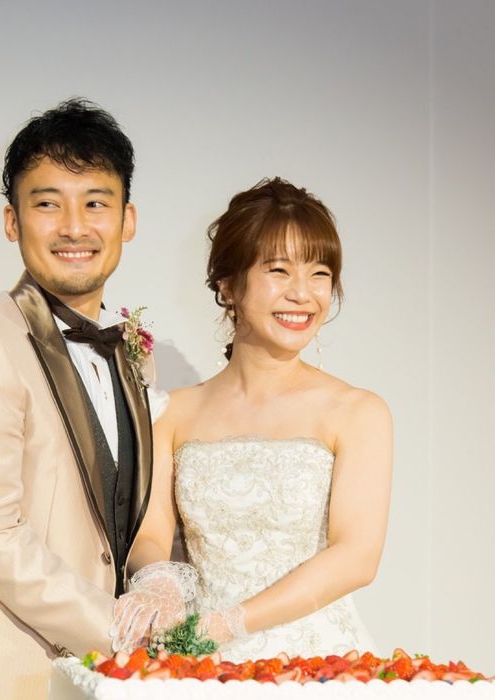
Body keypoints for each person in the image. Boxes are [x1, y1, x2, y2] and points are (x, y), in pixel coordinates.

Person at [0, 98, 174, 700]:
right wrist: (118, 632)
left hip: (97, 678)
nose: (74, 227)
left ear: (128, 220)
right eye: (48, 204)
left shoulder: (132, 353)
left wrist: (159, 587)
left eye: (95, 203)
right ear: (12, 221)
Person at [112, 177, 393, 661]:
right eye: (279, 270)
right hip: (201, 657)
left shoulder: (357, 412)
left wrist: (232, 622)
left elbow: (357, 557)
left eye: (320, 273)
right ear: (228, 285)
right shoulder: (174, 412)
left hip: (318, 662)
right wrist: (160, 583)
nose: (302, 294)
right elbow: (150, 534)